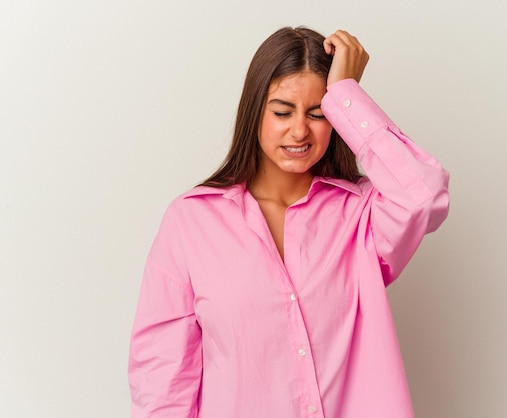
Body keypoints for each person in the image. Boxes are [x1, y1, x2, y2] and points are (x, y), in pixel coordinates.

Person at [128, 26, 450, 418]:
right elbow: (164, 384)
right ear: (254, 111)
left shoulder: (361, 214)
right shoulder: (191, 222)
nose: (300, 130)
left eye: (318, 113)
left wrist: (347, 94)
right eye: (282, 111)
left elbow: (424, 195)